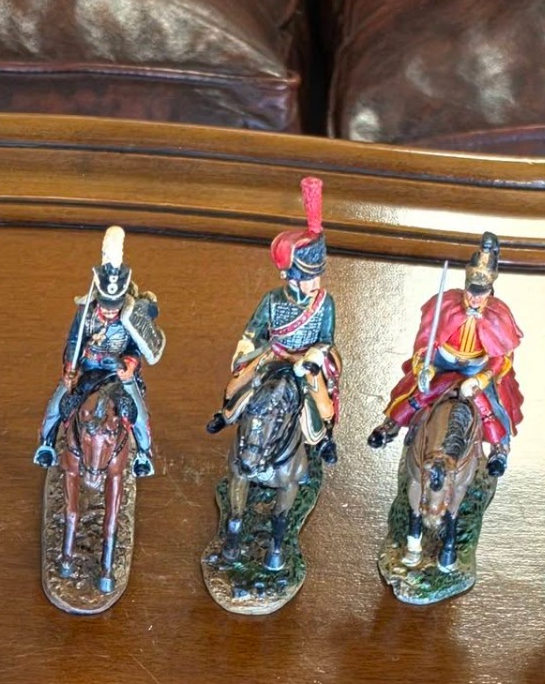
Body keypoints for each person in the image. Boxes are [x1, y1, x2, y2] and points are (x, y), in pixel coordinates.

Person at [369, 232, 524, 475]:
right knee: (419, 391)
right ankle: (391, 424)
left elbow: (500, 357)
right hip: (443, 362)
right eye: (471, 292)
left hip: (476, 368)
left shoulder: (498, 314)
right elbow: (426, 340)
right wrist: (426, 367)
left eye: (480, 294)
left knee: (493, 404)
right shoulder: (446, 304)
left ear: (489, 292)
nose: (474, 298)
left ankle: (499, 448)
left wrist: (481, 378)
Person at [207, 176, 339, 461]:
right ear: (291, 278)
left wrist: (314, 356)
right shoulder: (272, 299)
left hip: (305, 360)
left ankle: (326, 440)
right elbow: (254, 329)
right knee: (236, 386)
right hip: (274, 353)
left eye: (317, 276)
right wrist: (245, 347)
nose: (315, 283)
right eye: (308, 277)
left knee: (324, 406)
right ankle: (225, 415)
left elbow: (326, 339)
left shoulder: (325, 302)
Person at [34, 226, 164, 475]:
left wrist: (129, 365)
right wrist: (70, 367)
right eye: (105, 305)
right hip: (87, 367)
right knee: (56, 405)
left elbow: (136, 347)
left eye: (113, 306)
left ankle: (143, 455)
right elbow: (74, 340)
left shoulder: (129, 318)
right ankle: (47, 444)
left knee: (138, 413)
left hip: (116, 373)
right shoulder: (86, 313)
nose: (108, 311)